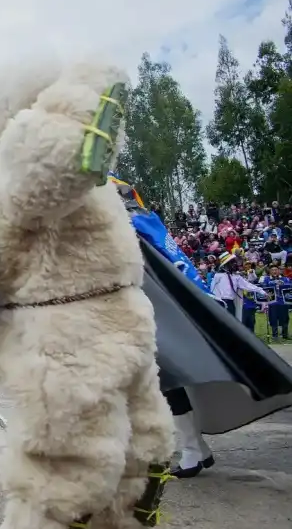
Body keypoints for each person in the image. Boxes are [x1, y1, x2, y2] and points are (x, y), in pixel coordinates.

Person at [112, 175, 292, 480]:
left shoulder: (136, 225)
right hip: (165, 304)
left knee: (168, 378)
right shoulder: (145, 220)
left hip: (164, 307)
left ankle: (193, 449)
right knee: (165, 380)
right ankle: (195, 449)